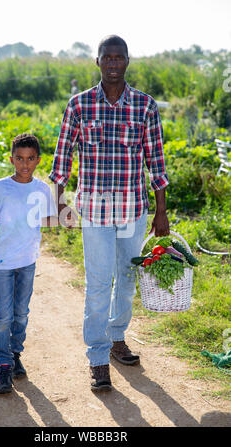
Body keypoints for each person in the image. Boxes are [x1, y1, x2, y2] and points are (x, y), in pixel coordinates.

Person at [49, 35, 170, 392]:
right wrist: (58, 203)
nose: (114, 64)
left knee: (127, 279)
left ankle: (117, 337)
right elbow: (62, 159)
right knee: (99, 283)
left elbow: (157, 163)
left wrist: (161, 212)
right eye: (108, 58)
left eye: (120, 58)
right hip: (95, 212)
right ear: (97, 62)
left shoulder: (145, 106)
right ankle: (98, 358)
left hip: (133, 210)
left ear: (128, 62)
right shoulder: (80, 105)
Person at [0, 133, 57, 394]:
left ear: (37, 160)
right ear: (12, 158)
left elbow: (46, 219)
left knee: (21, 313)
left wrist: (68, 216)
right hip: (2, 261)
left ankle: (15, 354)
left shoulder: (42, 189)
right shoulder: (1, 187)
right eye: (19, 158)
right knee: (3, 316)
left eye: (30, 159)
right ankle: (3, 364)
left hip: (27, 261)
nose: (24, 164)